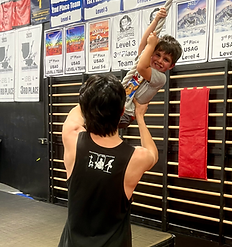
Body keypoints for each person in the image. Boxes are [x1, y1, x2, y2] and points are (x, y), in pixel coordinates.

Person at [58, 74, 158, 247]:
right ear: (121, 112)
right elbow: (153, 153)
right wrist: (139, 116)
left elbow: (80, 109)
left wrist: (102, 93)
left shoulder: (71, 137)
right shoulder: (137, 157)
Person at [118, 7, 182, 128]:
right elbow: (144, 43)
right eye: (157, 55)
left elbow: (141, 68)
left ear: (171, 66)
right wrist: (156, 20)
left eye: (166, 60)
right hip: (118, 105)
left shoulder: (160, 78)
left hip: (125, 114)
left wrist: (152, 45)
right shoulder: (145, 59)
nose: (159, 60)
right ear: (151, 53)